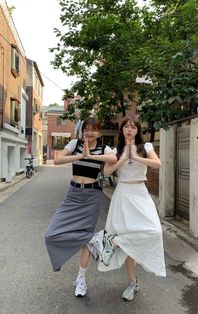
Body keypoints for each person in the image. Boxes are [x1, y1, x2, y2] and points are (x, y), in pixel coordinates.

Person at [95, 116, 166, 301]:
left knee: (155, 231)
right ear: (122, 129)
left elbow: (158, 164)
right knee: (128, 240)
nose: (129, 129)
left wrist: (135, 157)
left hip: (140, 193)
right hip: (123, 194)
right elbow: (106, 172)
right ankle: (132, 282)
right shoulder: (115, 150)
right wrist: (123, 158)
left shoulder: (146, 147)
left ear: (137, 130)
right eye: (126, 126)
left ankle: (113, 242)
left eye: (133, 127)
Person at [45, 117, 117, 297]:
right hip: (74, 195)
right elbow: (57, 160)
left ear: (99, 133)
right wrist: (80, 155)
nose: (89, 132)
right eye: (87, 129)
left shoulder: (103, 148)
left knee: (85, 238)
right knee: (51, 234)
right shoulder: (75, 143)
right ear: (82, 131)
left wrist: (91, 156)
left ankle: (81, 279)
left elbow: (113, 158)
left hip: (92, 196)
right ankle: (93, 240)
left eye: (93, 129)